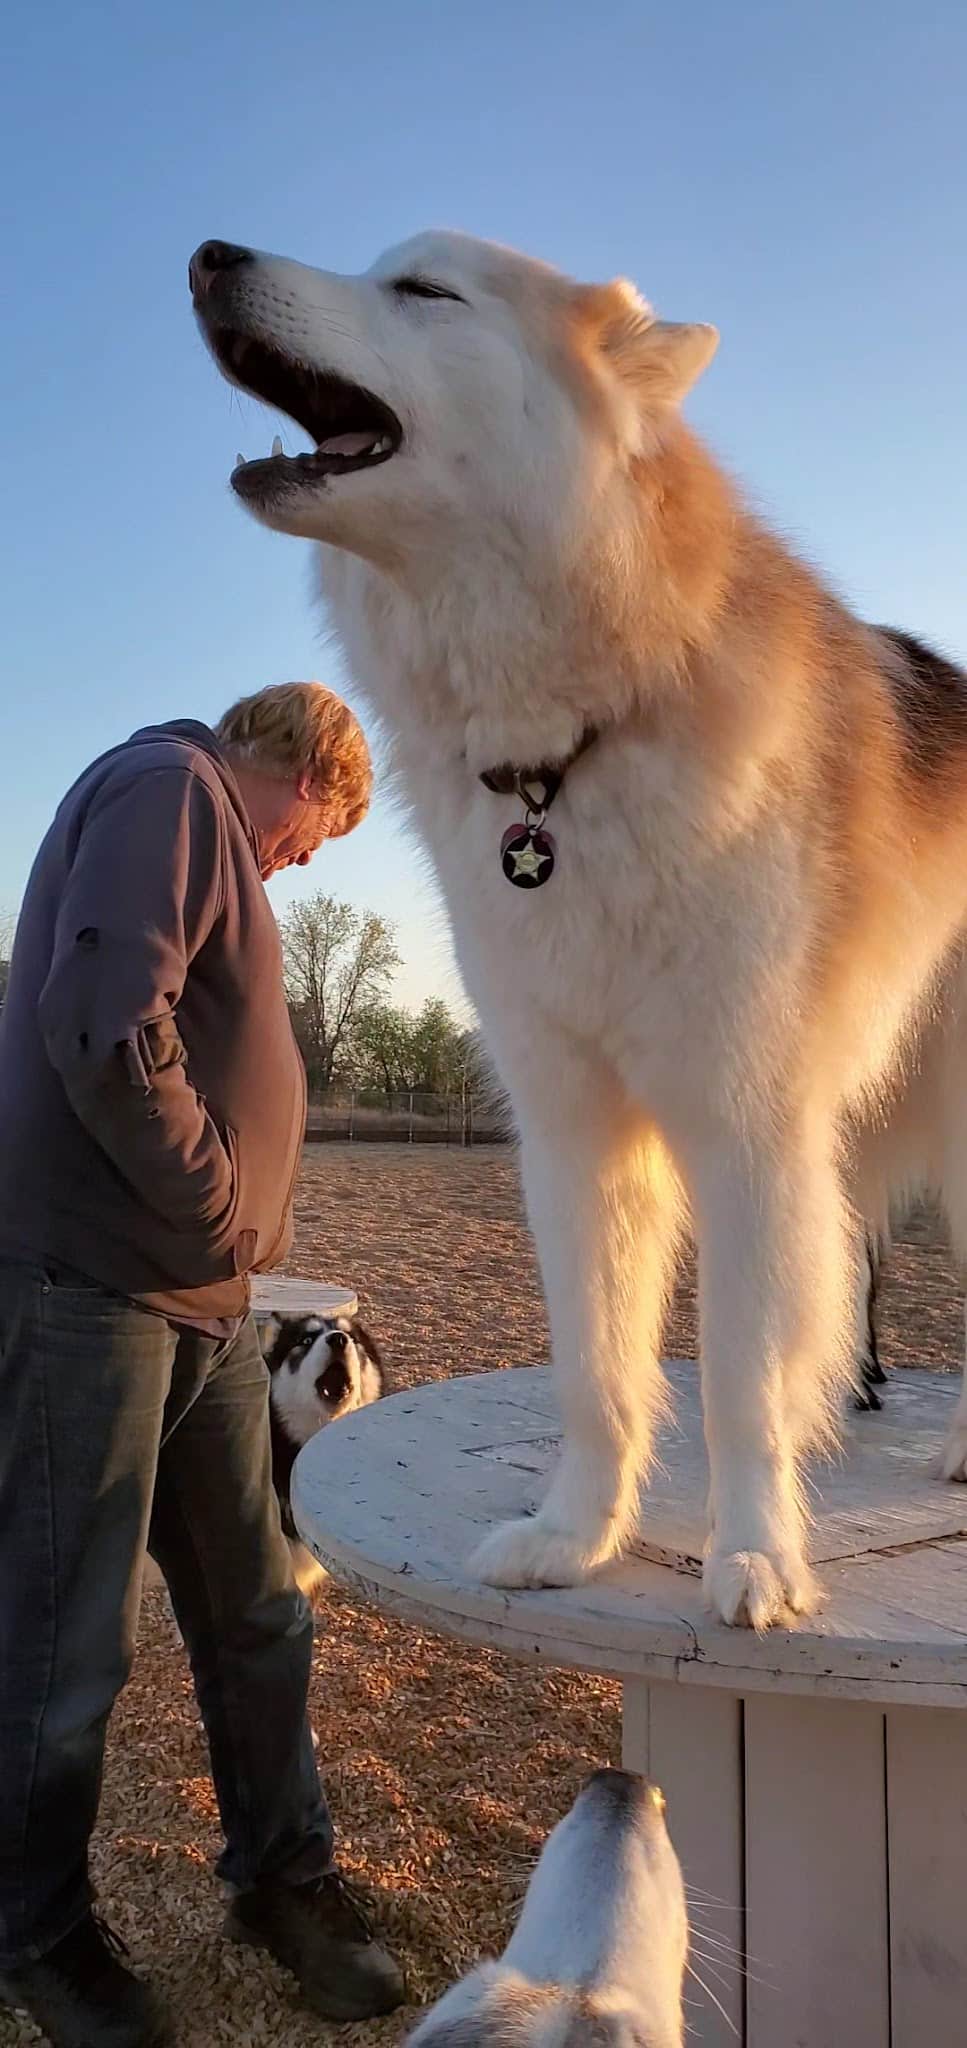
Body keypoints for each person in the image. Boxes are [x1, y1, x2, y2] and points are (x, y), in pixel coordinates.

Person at [0, 685, 404, 2046]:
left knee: (255, 1610)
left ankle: (284, 1880)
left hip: (197, 1309)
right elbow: (111, 1026)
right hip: (89, 1291)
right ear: (307, 767)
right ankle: (38, 1933)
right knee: (63, 1649)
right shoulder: (174, 790)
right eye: (323, 832)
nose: (307, 859)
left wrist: (227, 1254)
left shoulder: (215, 832)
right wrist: (225, 1216)